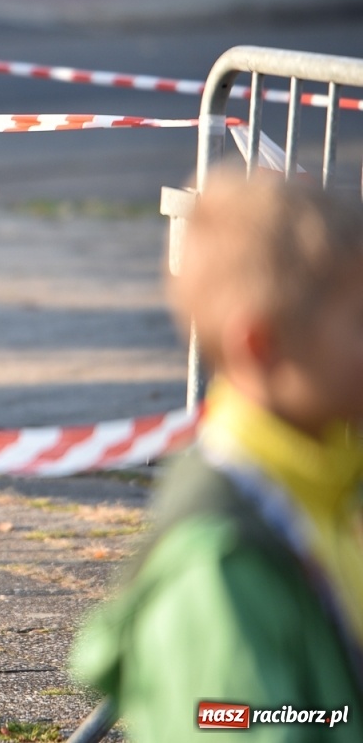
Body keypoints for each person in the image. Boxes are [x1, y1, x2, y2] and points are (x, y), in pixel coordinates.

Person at [71, 167, 363, 739]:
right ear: (261, 346)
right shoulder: (218, 562)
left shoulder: (330, 493)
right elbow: (238, 720)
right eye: (358, 323)